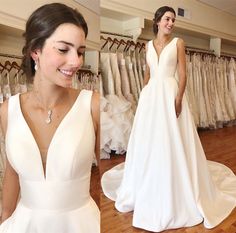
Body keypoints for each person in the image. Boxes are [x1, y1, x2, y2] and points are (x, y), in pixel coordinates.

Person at [101, 6, 236, 232]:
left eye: (173, 19)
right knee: (150, 138)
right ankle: (150, 177)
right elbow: (147, 72)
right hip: (151, 95)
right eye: (167, 19)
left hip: (170, 93)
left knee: (172, 137)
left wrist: (179, 98)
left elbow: (183, 74)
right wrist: (144, 93)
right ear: (157, 21)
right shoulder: (147, 46)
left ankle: (178, 178)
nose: (170, 23)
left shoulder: (178, 43)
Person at [0, 3, 100, 233]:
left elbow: (102, 175)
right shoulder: (8, 110)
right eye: (63, 50)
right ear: (35, 50)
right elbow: (12, 173)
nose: (76, 62)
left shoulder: (92, 104)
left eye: (80, 51)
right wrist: (5, 219)